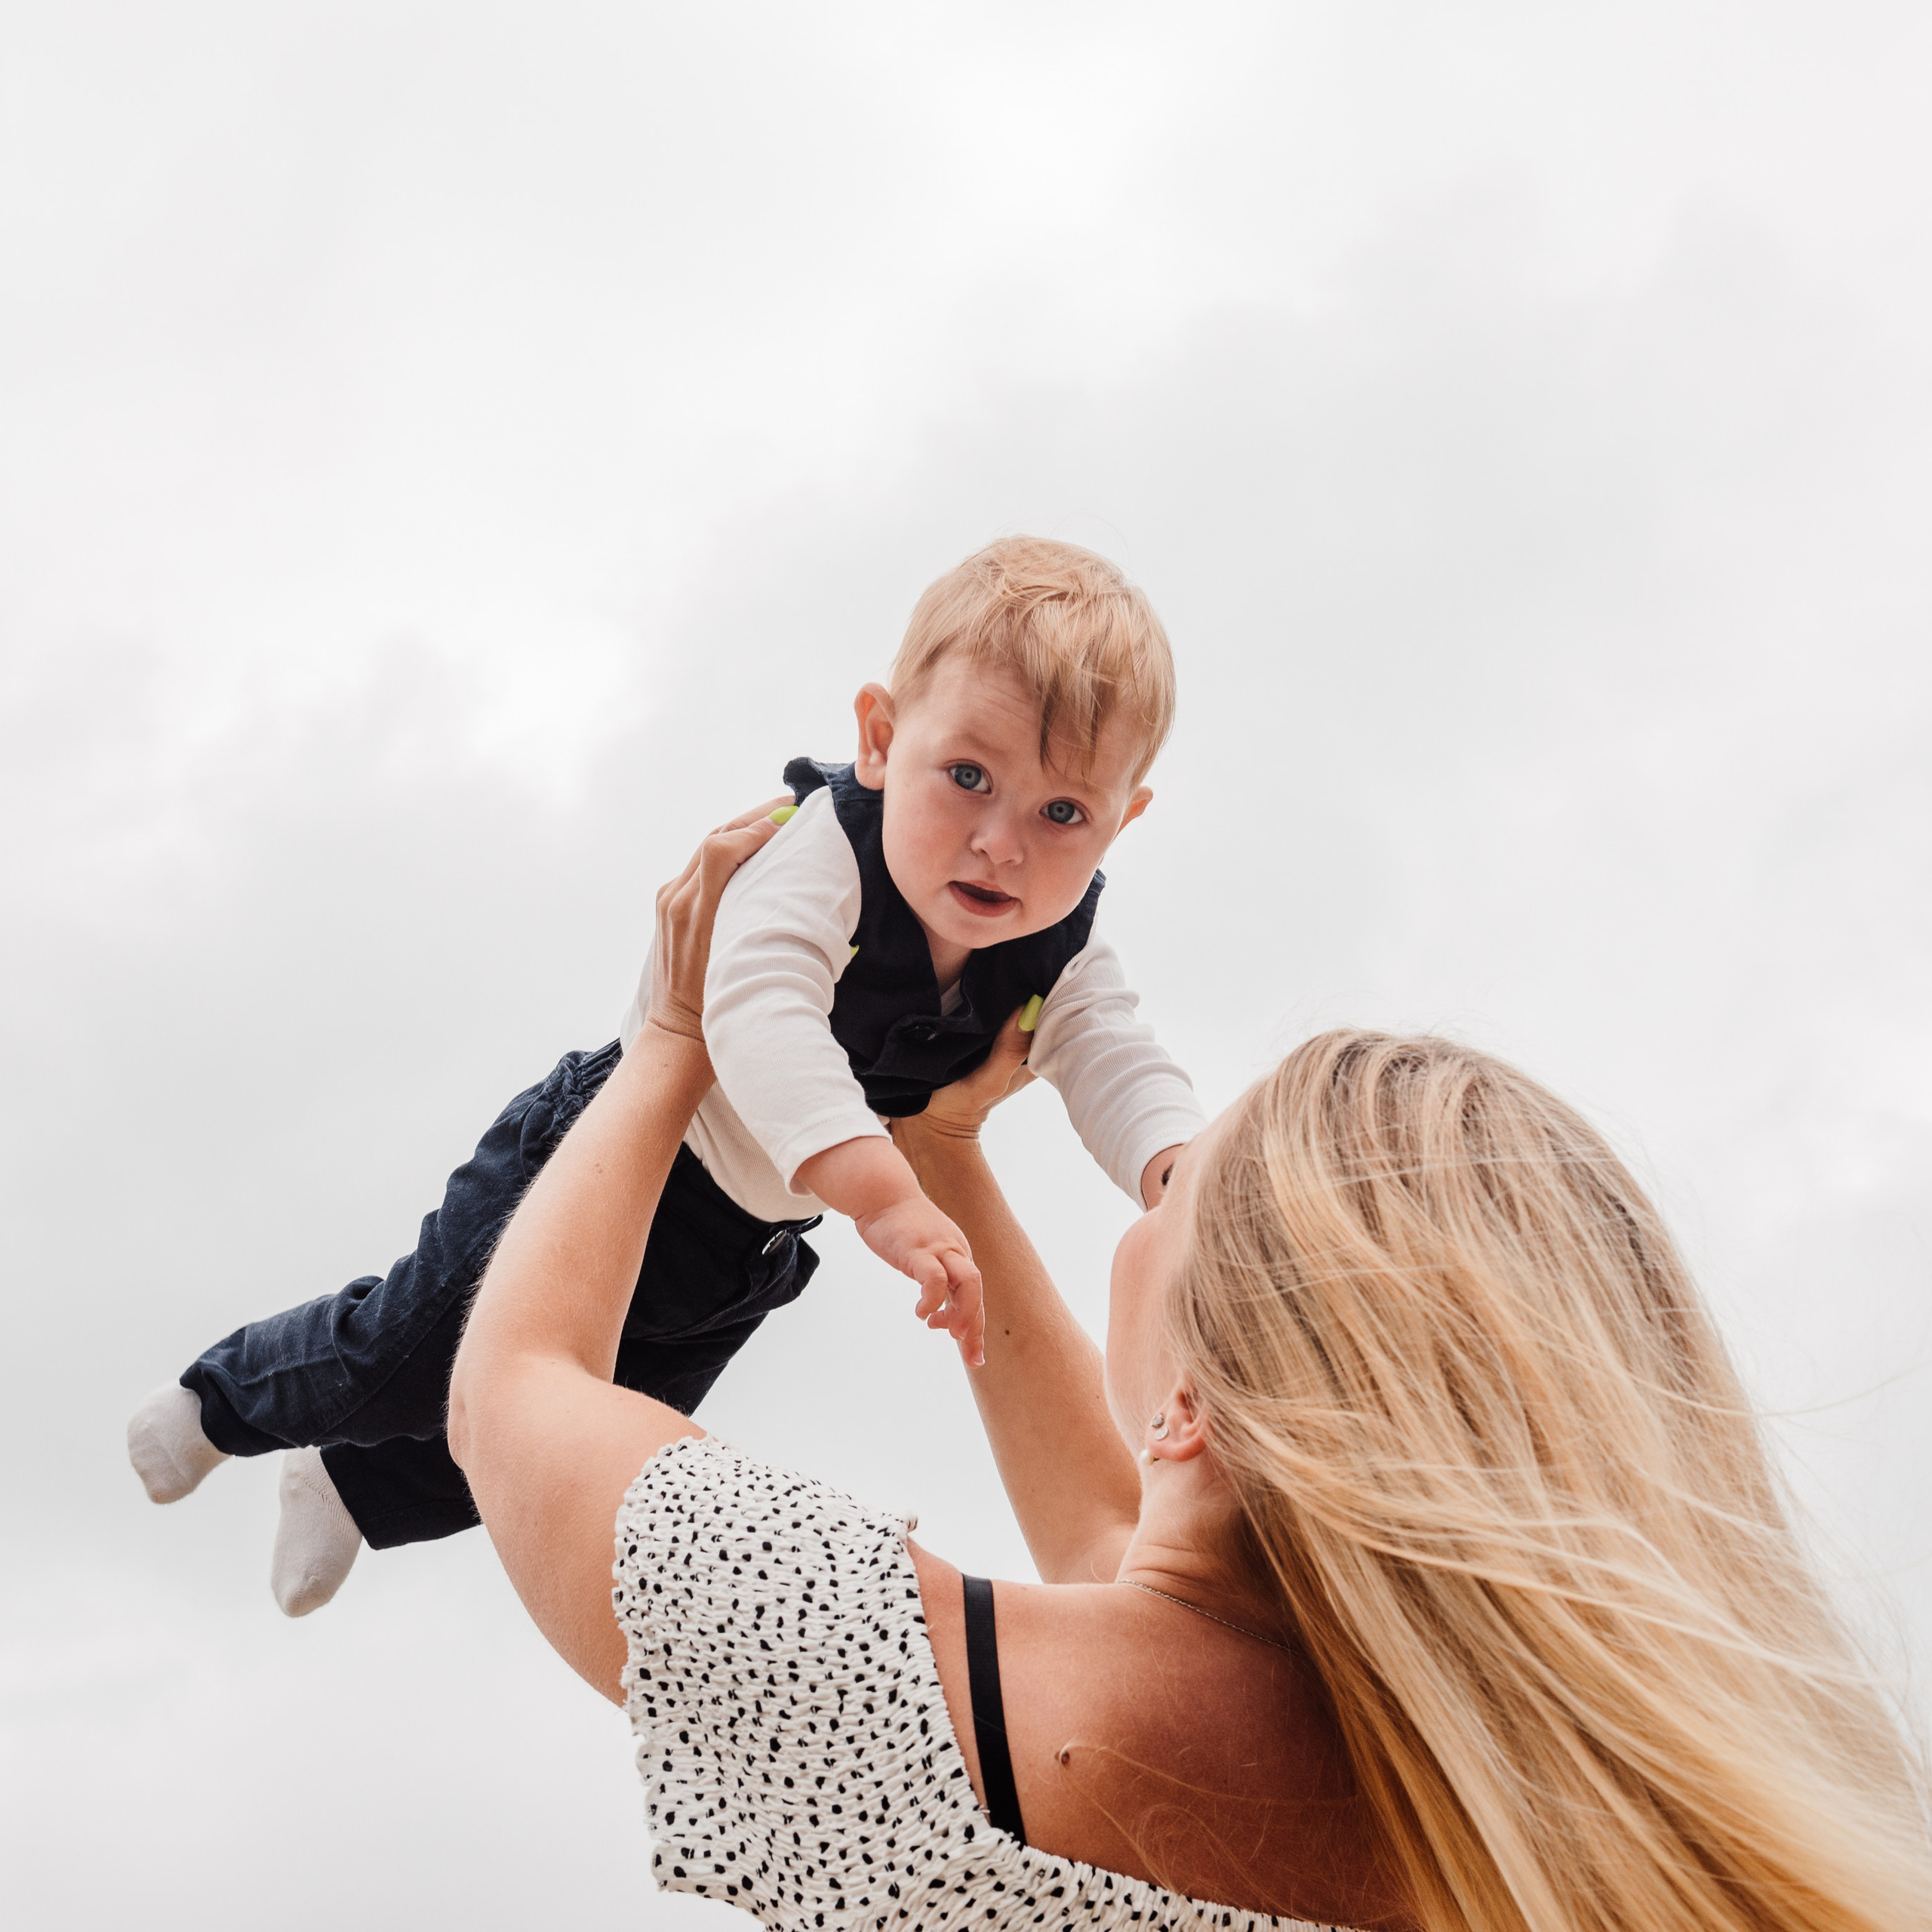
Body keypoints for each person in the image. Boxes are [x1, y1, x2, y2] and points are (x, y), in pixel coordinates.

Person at [448, 808, 1932, 1932]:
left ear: (1200, 1403)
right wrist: (938, 1145)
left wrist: (674, 1035)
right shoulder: (1535, 1834)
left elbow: (511, 1389)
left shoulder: (915, 1690)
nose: (1143, 1201)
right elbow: (1131, 1552)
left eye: (1172, 1194)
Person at [125, 537, 1205, 1615]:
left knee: (589, 1438)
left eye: (1063, 813)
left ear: (1122, 819)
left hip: (745, 1247)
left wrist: (1184, 1180)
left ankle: (351, 1486)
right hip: (617, 1152)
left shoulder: (1059, 944)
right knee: (408, 1353)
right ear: (880, 741)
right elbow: (759, 1015)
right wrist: (885, 1194)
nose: (1001, 844)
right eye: (967, 778)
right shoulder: (824, 855)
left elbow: (1115, 1055)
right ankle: (221, 1401)